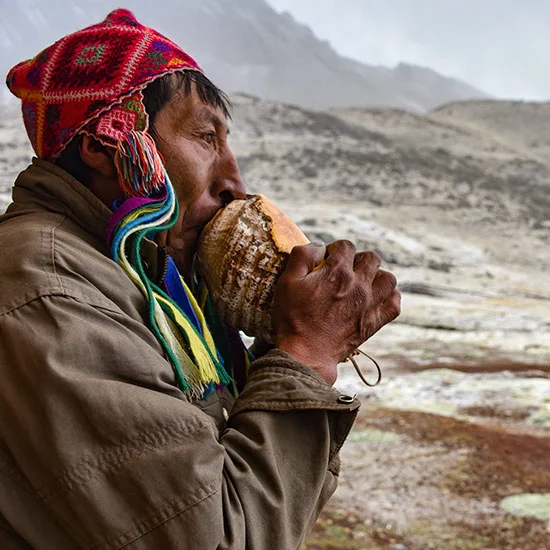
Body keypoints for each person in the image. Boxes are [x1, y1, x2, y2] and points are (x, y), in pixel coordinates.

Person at [0, 9, 401, 549]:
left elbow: (254, 492)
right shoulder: (47, 287)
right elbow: (221, 536)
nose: (235, 182)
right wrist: (305, 354)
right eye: (206, 138)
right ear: (105, 143)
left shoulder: (142, 275)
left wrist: (280, 345)